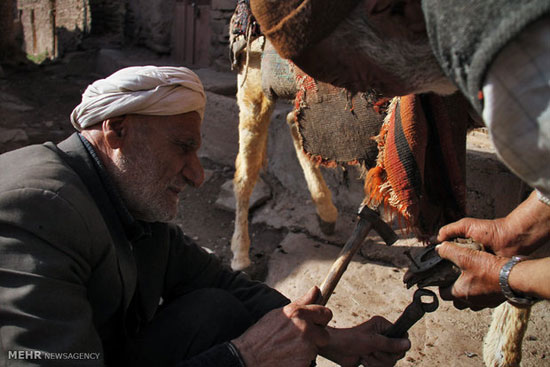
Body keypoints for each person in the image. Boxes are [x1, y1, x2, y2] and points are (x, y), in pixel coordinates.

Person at [0, 65, 410, 366]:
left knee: (218, 308)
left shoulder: (126, 195)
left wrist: (327, 340)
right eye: (182, 147)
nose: (198, 176)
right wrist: (244, 357)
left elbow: (218, 281)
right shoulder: (36, 206)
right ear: (117, 131)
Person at [248, 0, 550, 309]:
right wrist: (518, 229)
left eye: (347, 76)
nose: (356, 93)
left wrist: (509, 277)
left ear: (393, 9)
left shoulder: (517, 88)